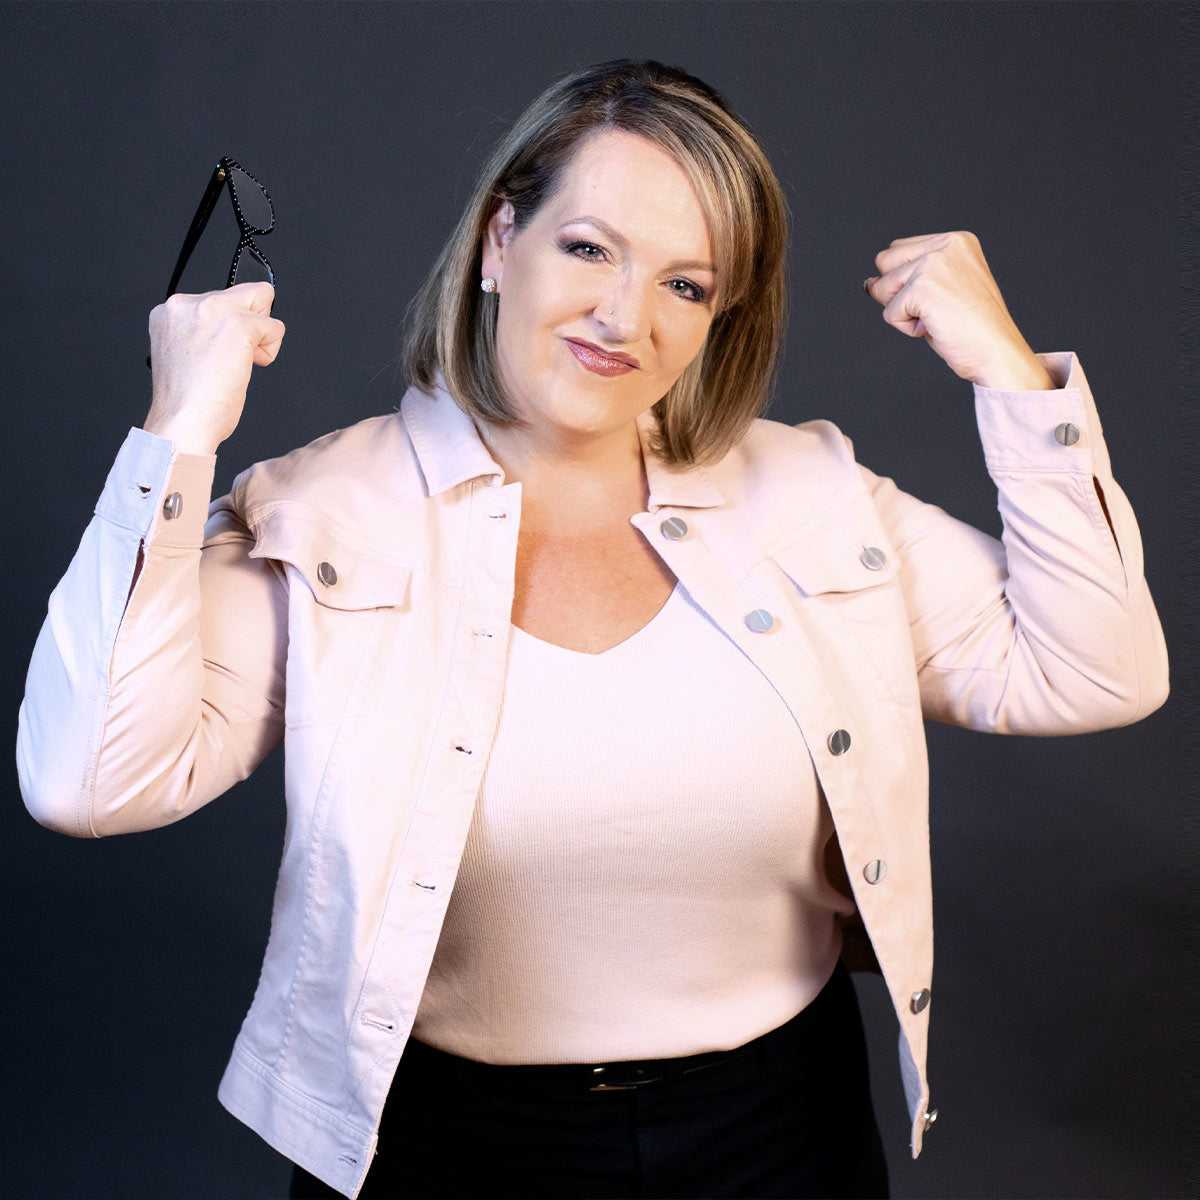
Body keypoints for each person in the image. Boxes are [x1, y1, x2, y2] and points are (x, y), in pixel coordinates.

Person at [17, 58, 1168, 1200]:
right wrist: (177, 433)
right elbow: (91, 784)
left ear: (721, 313)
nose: (625, 317)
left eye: (685, 284)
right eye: (588, 248)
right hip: (442, 1147)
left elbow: (1096, 671)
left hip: (775, 1136)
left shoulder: (811, 493)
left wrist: (1012, 380)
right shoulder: (322, 515)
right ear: (498, 241)